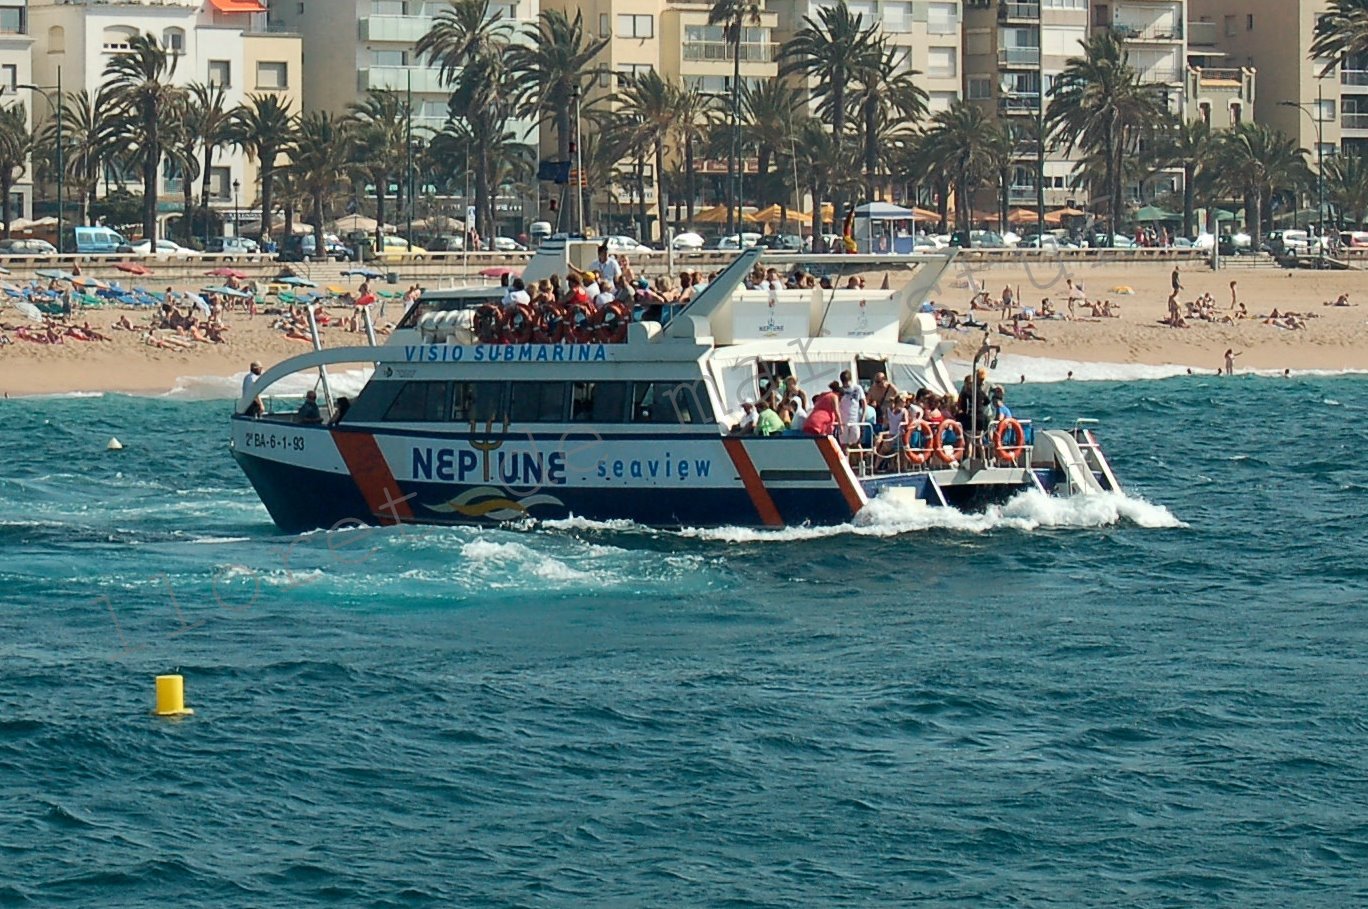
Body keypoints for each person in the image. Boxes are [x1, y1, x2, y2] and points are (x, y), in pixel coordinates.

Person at [836, 370, 865, 447]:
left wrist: (863, 416)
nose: (845, 385)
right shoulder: (839, 391)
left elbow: (863, 402)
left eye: (847, 383)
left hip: (854, 419)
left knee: (856, 442)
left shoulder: (857, 388)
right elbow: (836, 404)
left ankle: (860, 459)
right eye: (844, 383)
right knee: (843, 444)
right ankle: (845, 458)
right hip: (843, 420)